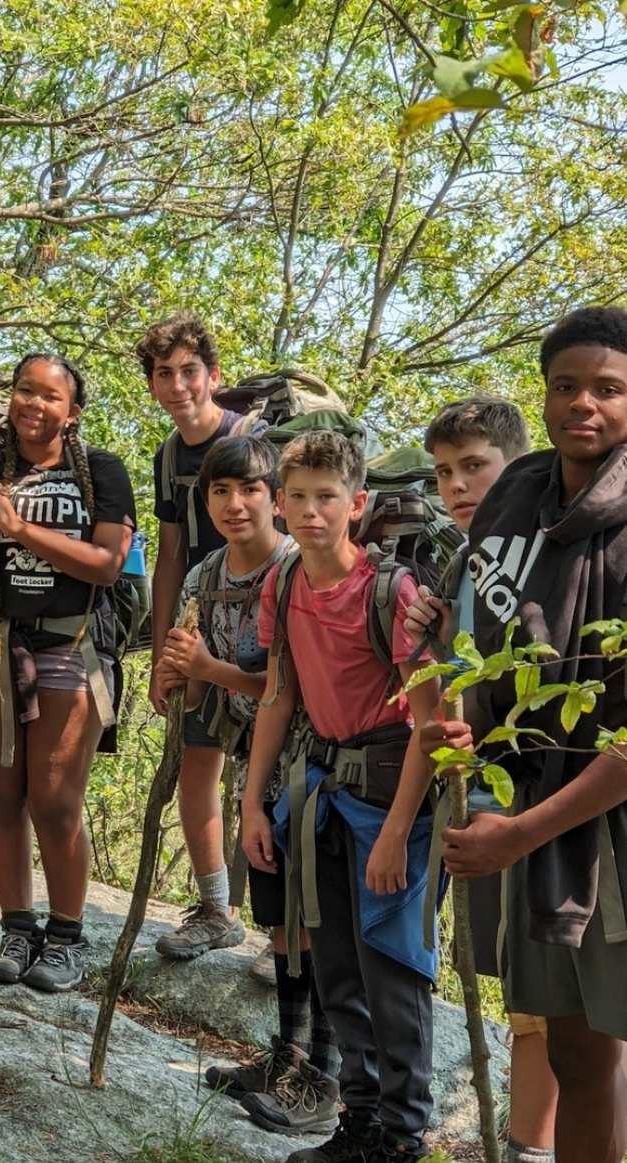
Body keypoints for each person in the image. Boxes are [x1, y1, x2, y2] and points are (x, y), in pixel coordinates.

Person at [435, 307, 627, 1163]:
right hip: (534, 798)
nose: (583, 403)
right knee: (577, 1044)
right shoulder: (517, 496)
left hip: (600, 819)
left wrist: (518, 835)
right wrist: (466, 724)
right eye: (565, 385)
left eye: (609, 388)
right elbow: (491, 642)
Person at [241, 430, 441, 1163]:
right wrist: (252, 802)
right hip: (318, 793)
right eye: (296, 496)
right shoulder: (284, 581)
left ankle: (402, 1134)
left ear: (356, 504)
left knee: (393, 966)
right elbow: (277, 695)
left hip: (392, 799)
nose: (309, 511)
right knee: (337, 964)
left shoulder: (392, 592)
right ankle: (359, 1122)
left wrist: (396, 831)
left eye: (326, 497)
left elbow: (428, 723)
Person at [154, 434, 340, 1134]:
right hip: (256, 765)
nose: (236, 504)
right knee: (281, 921)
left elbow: (294, 683)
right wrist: (175, 671)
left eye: (251, 489)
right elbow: (189, 659)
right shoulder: (205, 573)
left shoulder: (297, 571)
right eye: (220, 492)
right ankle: (286, 1058)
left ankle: (321, 1077)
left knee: (311, 919)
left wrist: (210, 670)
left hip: (309, 767)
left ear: (275, 497)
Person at [0, 352, 136, 992]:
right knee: (2, 796)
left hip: (70, 647)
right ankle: (17, 929)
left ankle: (67, 937)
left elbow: (107, 564)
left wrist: (20, 528)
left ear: (71, 412)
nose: (34, 404)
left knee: (54, 802)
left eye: (50, 396)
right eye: (25, 391)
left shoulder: (103, 471)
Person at [404, 397, 555, 1163]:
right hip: (476, 795)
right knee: (510, 978)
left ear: (518, 467)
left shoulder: (546, 558)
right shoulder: (460, 563)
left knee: (549, 991)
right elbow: (428, 709)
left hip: (541, 802)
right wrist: (420, 647)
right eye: (442, 472)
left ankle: (532, 1144)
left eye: (475, 467)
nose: (457, 486)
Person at [139, 313, 248, 961]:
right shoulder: (168, 455)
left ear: (213, 375)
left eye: (189, 371)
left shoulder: (251, 438)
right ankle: (216, 908)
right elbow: (171, 556)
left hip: (263, 628)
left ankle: (288, 929)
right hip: (198, 627)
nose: (178, 385)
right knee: (197, 765)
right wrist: (162, 655)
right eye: (164, 373)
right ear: (152, 383)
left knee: (271, 778)